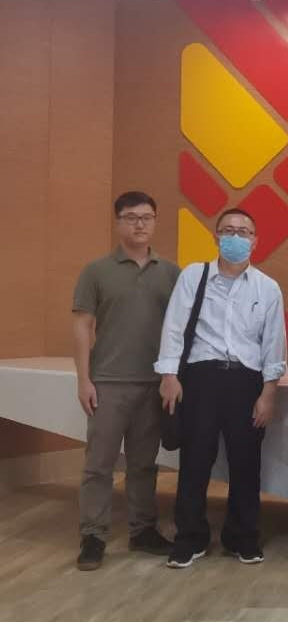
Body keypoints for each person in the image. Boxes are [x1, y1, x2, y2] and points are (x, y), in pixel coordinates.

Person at [156, 207, 286, 568]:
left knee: (246, 461)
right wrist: (169, 375)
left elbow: (273, 344)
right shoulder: (194, 276)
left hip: (246, 381)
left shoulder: (267, 288)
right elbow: (173, 326)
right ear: (216, 237)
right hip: (201, 378)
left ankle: (243, 537)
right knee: (195, 459)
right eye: (228, 230)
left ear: (255, 241)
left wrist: (268, 393)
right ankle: (190, 537)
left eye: (244, 232)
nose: (235, 237)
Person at [71, 191, 180, 571]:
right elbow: (82, 326)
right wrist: (83, 379)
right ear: (118, 222)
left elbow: (180, 329)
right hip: (107, 383)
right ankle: (93, 536)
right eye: (131, 217)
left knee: (144, 464)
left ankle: (142, 530)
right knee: (99, 465)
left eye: (146, 217)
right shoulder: (96, 271)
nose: (139, 224)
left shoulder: (171, 273)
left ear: (155, 222)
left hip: (154, 384)